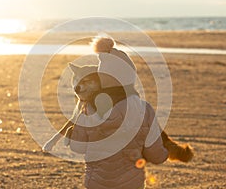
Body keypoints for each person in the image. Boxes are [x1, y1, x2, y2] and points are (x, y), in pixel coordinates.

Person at [69, 37, 168, 189]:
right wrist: (163, 154)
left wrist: (73, 132)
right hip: (132, 183)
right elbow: (155, 153)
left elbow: (77, 147)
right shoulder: (144, 109)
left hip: (96, 182)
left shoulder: (88, 109)